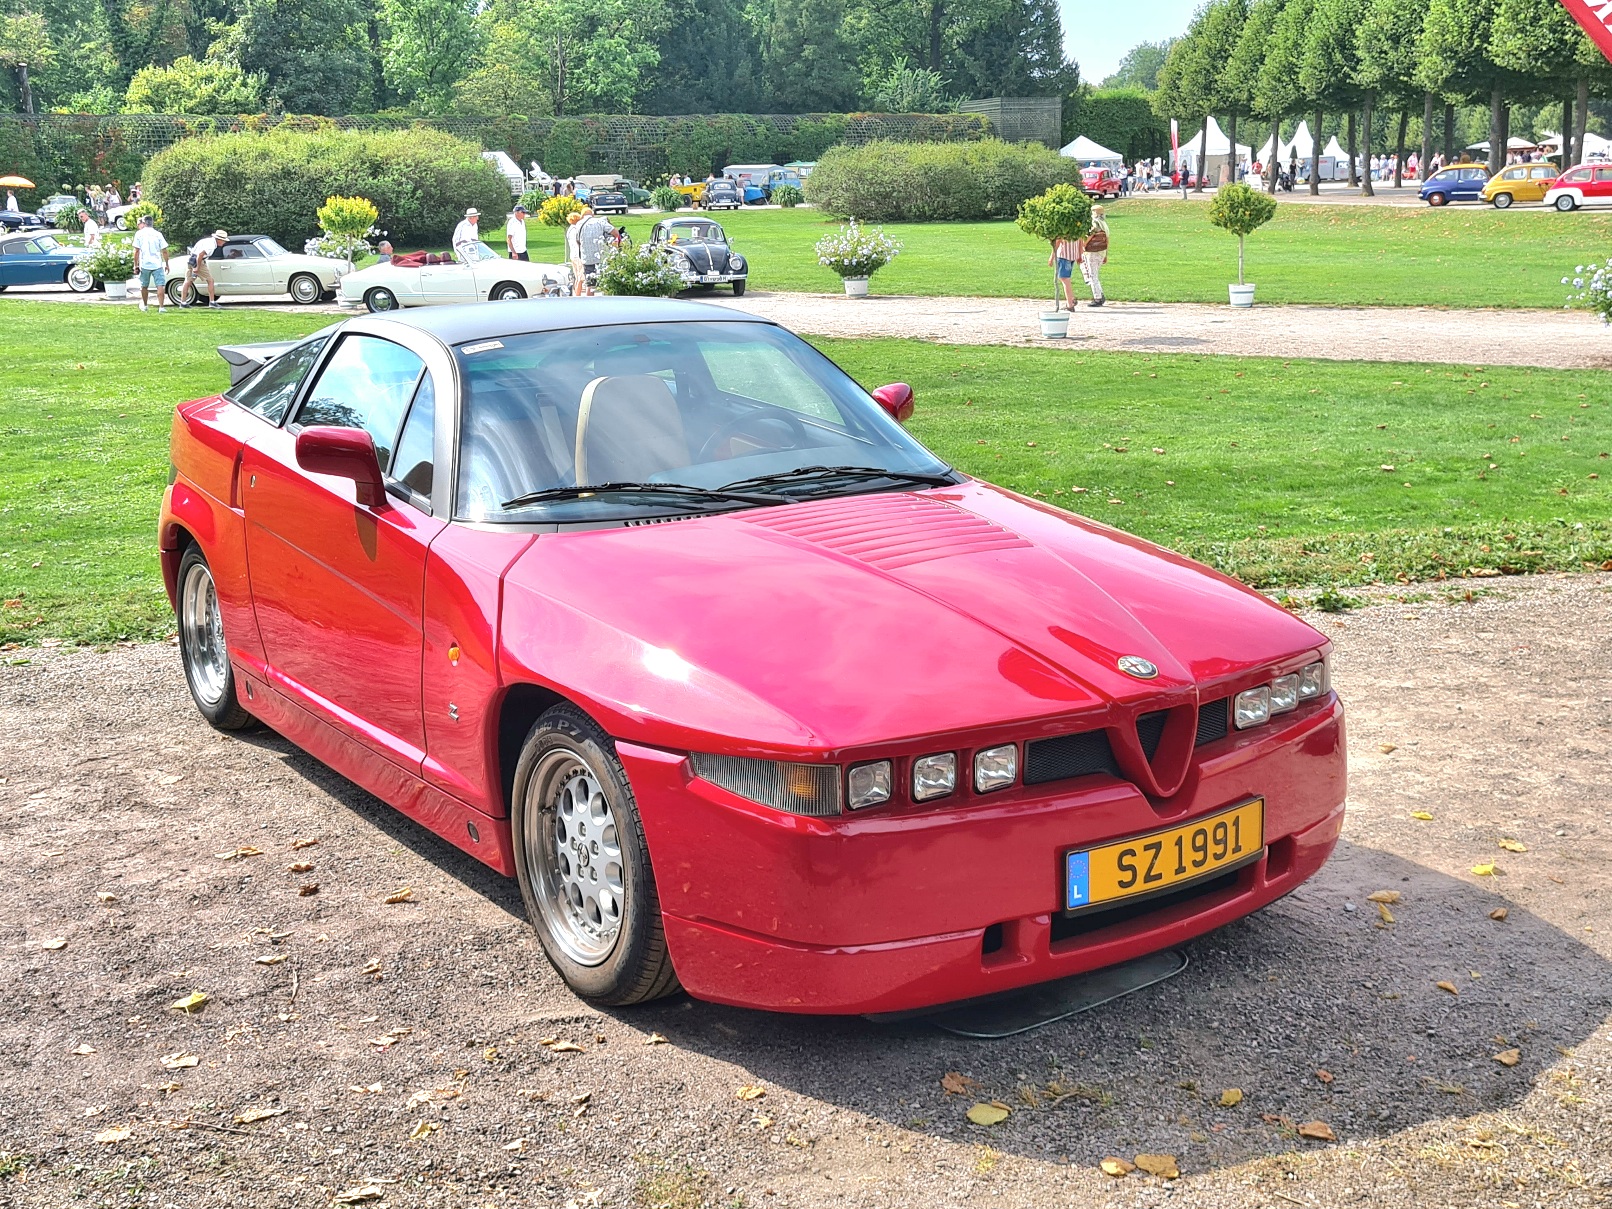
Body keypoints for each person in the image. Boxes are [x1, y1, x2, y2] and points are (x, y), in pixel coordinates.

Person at [132, 212, 168, 313]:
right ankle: (161, 307)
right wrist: (167, 264)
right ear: (152, 223)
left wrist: (135, 265)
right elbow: (164, 250)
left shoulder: (139, 234)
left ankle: (145, 305)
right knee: (160, 285)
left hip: (145, 264)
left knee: (144, 285)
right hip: (157, 263)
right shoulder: (158, 234)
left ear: (144, 223)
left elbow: (136, 251)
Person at [187, 229, 227, 308]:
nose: (224, 242)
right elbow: (200, 255)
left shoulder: (206, 241)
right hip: (199, 261)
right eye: (223, 240)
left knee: (188, 280)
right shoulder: (211, 245)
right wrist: (197, 267)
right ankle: (212, 302)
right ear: (219, 240)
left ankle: (183, 302)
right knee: (210, 280)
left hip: (192, 259)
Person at [1078, 206, 1108, 308]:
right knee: (1094, 274)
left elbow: (1090, 234)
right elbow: (1107, 240)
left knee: (1092, 275)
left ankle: (1098, 298)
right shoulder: (1104, 224)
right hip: (1101, 251)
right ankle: (1099, 294)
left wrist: (1083, 245)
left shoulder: (1094, 223)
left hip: (1092, 252)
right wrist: (1106, 254)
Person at [576, 206, 609, 295]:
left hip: (587, 258)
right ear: (592, 214)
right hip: (601, 258)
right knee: (605, 282)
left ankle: (589, 301)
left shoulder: (579, 224)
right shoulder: (600, 221)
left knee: (590, 284)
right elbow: (615, 232)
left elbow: (578, 241)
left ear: (582, 216)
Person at [1049, 233, 1080, 310]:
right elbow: (1080, 239)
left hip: (1064, 255)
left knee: (1064, 279)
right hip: (1073, 254)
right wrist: (1079, 253)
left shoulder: (1063, 231)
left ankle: (1070, 304)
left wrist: (1051, 257)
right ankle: (1071, 298)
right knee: (1065, 278)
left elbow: (1058, 242)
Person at [565, 210, 585, 295]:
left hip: (573, 255)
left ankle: (576, 293)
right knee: (581, 277)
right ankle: (578, 294)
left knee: (577, 276)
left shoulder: (569, 230)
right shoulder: (575, 229)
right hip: (578, 255)